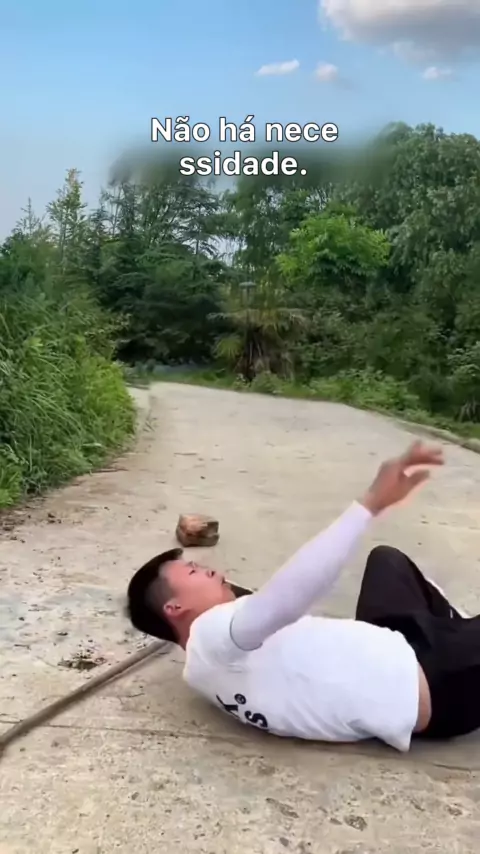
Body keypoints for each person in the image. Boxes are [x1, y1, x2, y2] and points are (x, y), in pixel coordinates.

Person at [126, 441, 480, 752]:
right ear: (175, 607)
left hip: (397, 645)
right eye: (193, 572)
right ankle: (459, 635)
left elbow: (258, 607)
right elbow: (286, 597)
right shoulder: (212, 633)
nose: (210, 570)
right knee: (390, 568)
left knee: (386, 562)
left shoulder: (200, 669)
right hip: (437, 681)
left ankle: (453, 626)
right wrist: (370, 503)